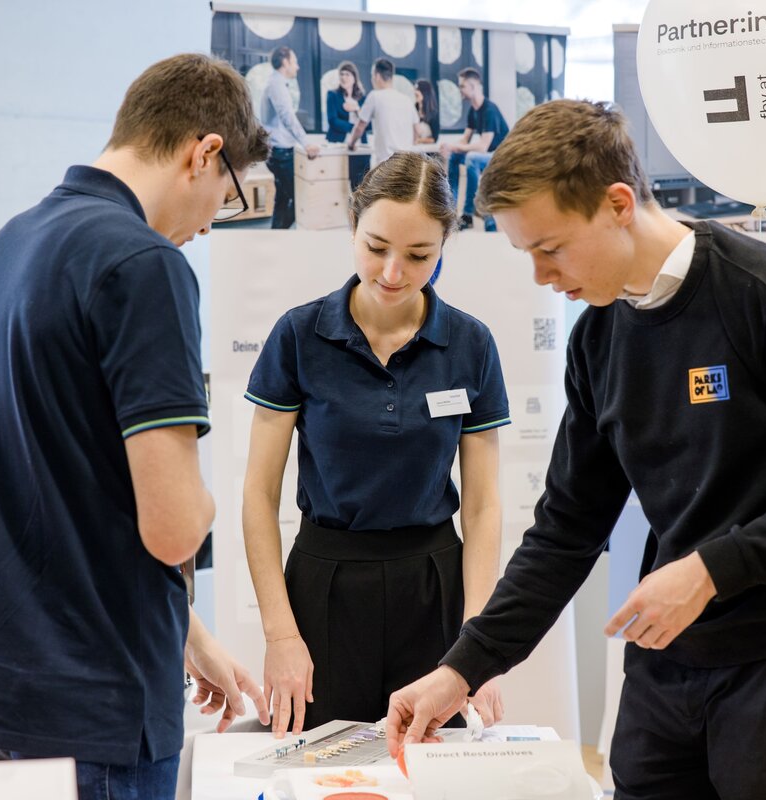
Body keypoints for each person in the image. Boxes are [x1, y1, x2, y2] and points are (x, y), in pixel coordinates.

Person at [385, 100, 766, 799]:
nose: (542, 277)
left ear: (618, 203)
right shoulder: (597, 339)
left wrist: (710, 571)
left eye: (551, 248)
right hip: (664, 678)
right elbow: (567, 530)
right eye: (527, 254)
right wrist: (462, 669)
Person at [0, 54, 272, 800]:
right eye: (228, 196)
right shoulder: (143, 265)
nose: (210, 225)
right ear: (204, 152)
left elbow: (61, 485)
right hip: (96, 698)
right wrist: (212, 496)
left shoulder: (14, 243)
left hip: (2, 683)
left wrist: (190, 636)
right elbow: (174, 527)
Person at [242, 151, 507, 738]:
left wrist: (479, 646)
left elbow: (485, 506)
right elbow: (259, 497)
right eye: (376, 246)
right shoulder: (298, 335)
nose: (392, 271)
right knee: (322, 772)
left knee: (432, 772)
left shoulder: (470, 344)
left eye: (419, 256)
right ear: (353, 226)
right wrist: (281, 635)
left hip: (435, 589)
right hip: (325, 587)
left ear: (444, 247)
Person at [441, 67, 508, 231]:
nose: (460, 90)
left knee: (471, 157)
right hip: (487, 154)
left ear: (473, 86)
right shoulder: (473, 110)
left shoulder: (489, 110)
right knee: (455, 157)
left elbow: (483, 146)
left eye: (462, 86)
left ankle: (467, 214)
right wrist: (451, 147)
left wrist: (455, 146)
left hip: (501, 156)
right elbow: (465, 138)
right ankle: (450, 210)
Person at [262, 46, 321, 228]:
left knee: (282, 198)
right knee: (299, 198)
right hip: (280, 153)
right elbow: (287, 115)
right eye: (295, 62)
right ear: (285, 62)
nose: (298, 67)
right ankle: (280, 236)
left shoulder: (276, 83)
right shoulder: (276, 84)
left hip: (278, 151)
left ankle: (276, 239)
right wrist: (306, 143)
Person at [346, 59, 418, 170]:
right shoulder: (406, 99)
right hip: (407, 164)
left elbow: (360, 126)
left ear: (377, 76)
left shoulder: (375, 96)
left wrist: (351, 143)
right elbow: (416, 130)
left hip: (385, 164)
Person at [326, 61, 369, 190]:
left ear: (354, 77)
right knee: (337, 181)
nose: (344, 77)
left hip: (360, 144)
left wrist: (357, 109)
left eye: (347, 74)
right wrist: (354, 128)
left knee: (360, 182)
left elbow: (368, 123)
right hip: (338, 142)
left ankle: (357, 209)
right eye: (341, 74)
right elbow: (332, 120)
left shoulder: (362, 98)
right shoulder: (332, 95)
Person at [414, 79, 439, 144]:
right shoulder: (414, 109)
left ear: (424, 92)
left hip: (428, 150)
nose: (415, 92)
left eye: (417, 89)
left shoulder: (433, 113)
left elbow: (434, 139)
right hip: (415, 149)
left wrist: (419, 140)